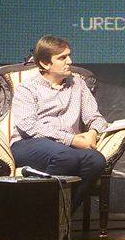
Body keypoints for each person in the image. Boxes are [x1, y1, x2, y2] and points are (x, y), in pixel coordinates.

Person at [9, 35, 109, 216]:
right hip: (29, 143)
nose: (69, 61)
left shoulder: (78, 84)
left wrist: (93, 132)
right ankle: (39, 218)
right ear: (45, 63)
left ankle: (59, 218)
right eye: (62, 57)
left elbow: (95, 118)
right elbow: (28, 125)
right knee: (66, 156)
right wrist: (72, 140)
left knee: (96, 160)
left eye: (69, 55)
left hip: (65, 149)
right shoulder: (28, 88)